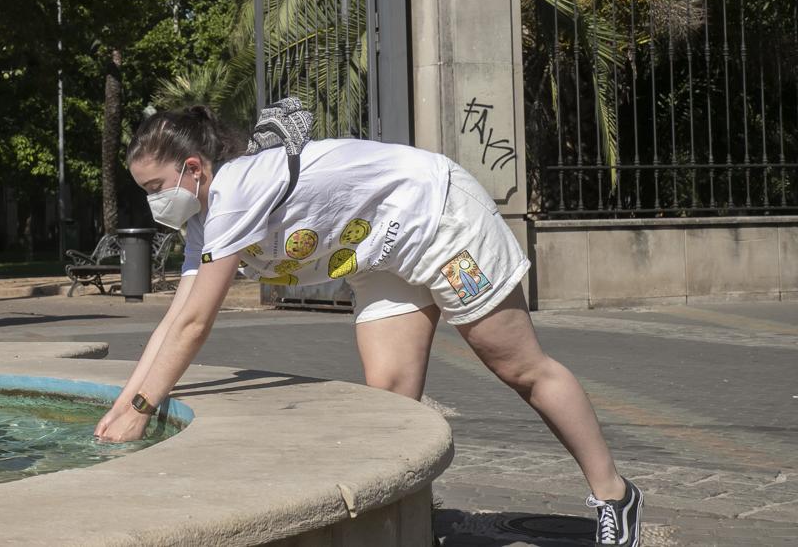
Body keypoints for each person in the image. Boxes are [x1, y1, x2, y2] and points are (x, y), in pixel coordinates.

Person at [92, 102, 644, 547]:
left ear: (193, 169)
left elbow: (195, 324)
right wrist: (122, 403)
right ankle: (412, 521)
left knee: (521, 369)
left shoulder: (234, 188)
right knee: (390, 400)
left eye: (154, 188)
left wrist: (143, 412)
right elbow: (173, 320)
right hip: (381, 257)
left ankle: (614, 494)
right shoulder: (202, 221)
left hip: (439, 222)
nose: (153, 202)